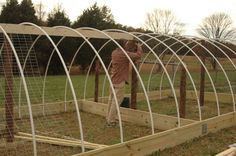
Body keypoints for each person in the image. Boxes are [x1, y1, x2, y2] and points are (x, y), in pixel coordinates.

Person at [106, 39, 143, 127]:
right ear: (123, 45)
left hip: (113, 80)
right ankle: (111, 122)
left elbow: (127, 55)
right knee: (117, 101)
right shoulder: (123, 54)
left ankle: (108, 118)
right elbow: (138, 55)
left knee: (111, 100)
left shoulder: (114, 52)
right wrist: (139, 46)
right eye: (125, 43)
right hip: (119, 81)